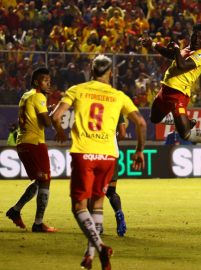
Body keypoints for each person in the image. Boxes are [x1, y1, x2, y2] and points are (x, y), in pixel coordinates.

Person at [50, 55, 146, 270]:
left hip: (84, 153)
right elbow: (140, 122)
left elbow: (56, 116)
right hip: (108, 156)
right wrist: (139, 150)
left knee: (79, 206)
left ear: (91, 72)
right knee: (98, 203)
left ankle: (101, 247)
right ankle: (89, 255)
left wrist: (59, 131)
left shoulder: (77, 90)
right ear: (110, 74)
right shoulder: (119, 95)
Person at [139, 23, 201, 156]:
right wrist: (153, 45)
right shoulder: (187, 49)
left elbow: (182, 64)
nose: (197, 40)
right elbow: (171, 55)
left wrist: (175, 48)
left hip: (178, 94)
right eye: (195, 36)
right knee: (154, 118)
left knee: (185, 134)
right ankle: (180, 120)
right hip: (165, 90)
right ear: (190, 36)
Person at [5, 67, 57, 233]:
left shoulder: (26, 95)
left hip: (22, 143)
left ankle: (15, 210)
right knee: (46, 180)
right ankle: (38, 223)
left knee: (39, 180)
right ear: (36, 82)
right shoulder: (39, 96)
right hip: (34, 143)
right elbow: (47, 123)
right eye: (44, 80)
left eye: (49, 80)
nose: (48, 83)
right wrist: (54, 113)